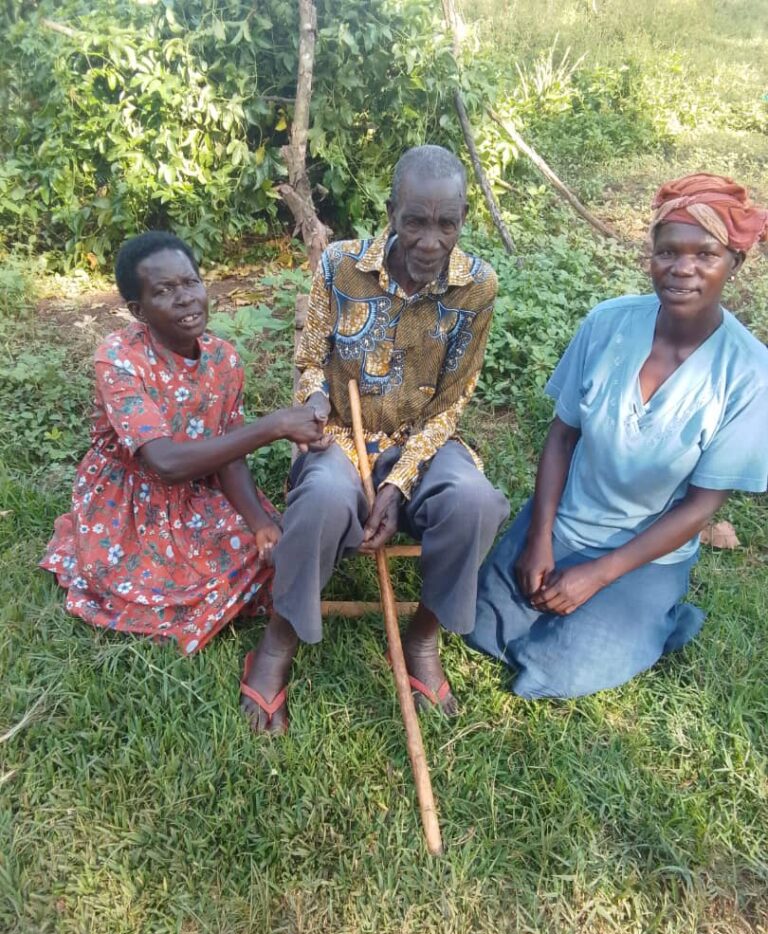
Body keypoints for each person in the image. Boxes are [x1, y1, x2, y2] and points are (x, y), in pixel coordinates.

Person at [465, 173, 768, 698]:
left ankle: (659, 618)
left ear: (734, 263)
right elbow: (562, 437)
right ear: (651, 256)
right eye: (668, 252)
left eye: (706, 254)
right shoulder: (607, 324)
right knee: (479, 629)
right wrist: (539, 538)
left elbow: (700, 508)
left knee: (554, 671)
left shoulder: (749, 374)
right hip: (567, 522)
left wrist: (598, 575)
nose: (682, 269)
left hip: (643, 554)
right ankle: (594, 612)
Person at [240, 145, 510, 733]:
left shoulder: (477, 286)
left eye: (447, 224)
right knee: (322, 500)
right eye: (415, 221)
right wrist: (314, 400)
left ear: (464, 219)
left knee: (477, 502)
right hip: (342, 433)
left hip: (422, 440)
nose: (430, 242)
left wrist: (398, 482)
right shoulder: (340, 265)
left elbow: (453, 401)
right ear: (391, 213)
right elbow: (310, 360)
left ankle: (422, 638)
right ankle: (278, 640)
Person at [41, 231, 326, 658]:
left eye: (191, 282)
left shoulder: (223, 359)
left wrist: (258, 523)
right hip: (131, 501)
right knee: (153, 583)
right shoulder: (119, 358)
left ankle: (224, 559)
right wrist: (275, 425)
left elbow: (230, 456)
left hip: (197, 490)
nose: (186, 298)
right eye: (164, 291)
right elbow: (164, 463)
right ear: (138, 310)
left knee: (274, 549)